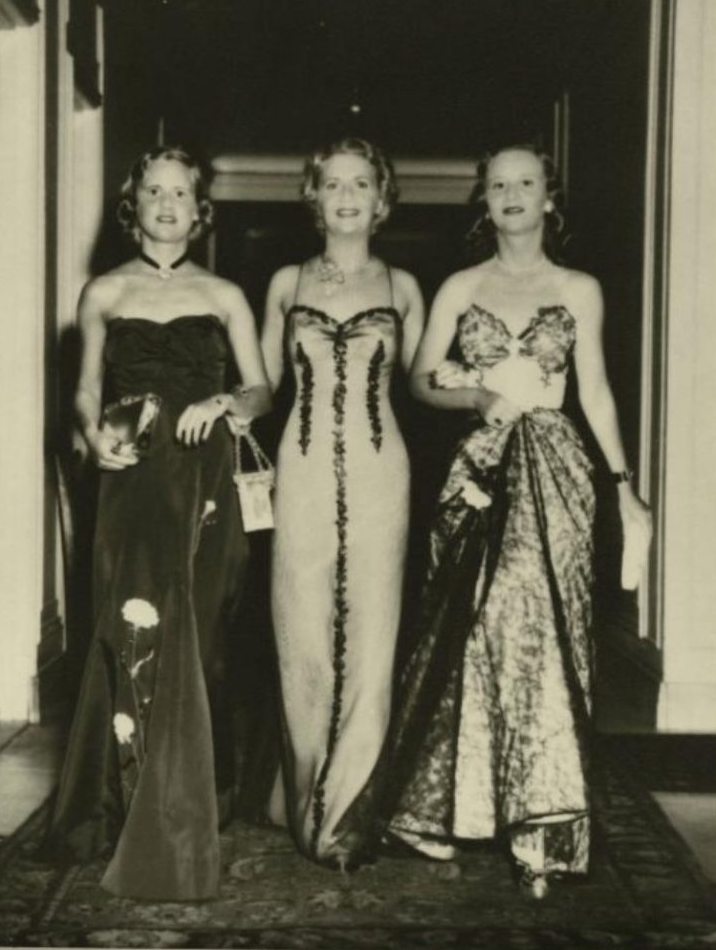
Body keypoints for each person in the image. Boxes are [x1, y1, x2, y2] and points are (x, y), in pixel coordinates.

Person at [381, 143, 652, 898]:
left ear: (548, 199)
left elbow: (592, 391)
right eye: (497, 184)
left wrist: (623, 485)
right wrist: (471, 398)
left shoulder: (579, 288)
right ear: (484, 199)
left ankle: (545, 826)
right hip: (477, 469)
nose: (510, 195)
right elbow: (418, 378)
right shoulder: (460, 286)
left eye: (524, 183)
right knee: (471, 627)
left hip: (557, 471)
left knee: (543, 630)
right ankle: (447, 807)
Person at [48, 145, 271, 901]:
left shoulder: (227, 294)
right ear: (133, 203)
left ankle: (196, 801)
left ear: (200, 209)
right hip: (133, 481)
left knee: (201, 636)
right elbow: (82, 394)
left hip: (208, 484)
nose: (168, 204)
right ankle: (112, 804)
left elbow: (263, 388)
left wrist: (226, 403)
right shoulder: (103, 292)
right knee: (124, 630)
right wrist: (93, 437)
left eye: (182, 193)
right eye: (154, 191)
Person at [260, 137, 424, 869]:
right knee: (299, 627)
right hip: (296, 470)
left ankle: (348, 809)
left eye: (362, 183)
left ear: (381, 199)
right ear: (314, 196)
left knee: (372, 632)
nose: (348, 195)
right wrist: (224, 400)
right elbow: (264, 385)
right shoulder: (284, 281)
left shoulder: (405, 285)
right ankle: (301, 791)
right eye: (333, 184)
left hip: (382, 467)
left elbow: (425, 381)